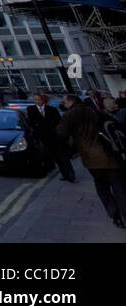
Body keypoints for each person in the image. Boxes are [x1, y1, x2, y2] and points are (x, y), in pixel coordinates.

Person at [58, 94, 126, 228]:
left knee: (102, 187)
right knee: (119, 187)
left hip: (91, 158)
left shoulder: (69, 115)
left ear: (70, 102)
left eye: (65, 102)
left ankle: (115, 215)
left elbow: (61, 133)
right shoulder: (94, 111)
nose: (64, 105)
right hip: (109, 154)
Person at [28, 93, 73, 182]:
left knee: (62, 157)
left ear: (44, 100)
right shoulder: (31, 109)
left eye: (39, 100)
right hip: (42, 138)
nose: (37, 102)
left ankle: (70, 175)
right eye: (35, 100)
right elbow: (31, 124)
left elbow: (59, 123)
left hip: (55, 137)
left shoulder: (52, 110)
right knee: (54, 158)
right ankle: (64, 174)